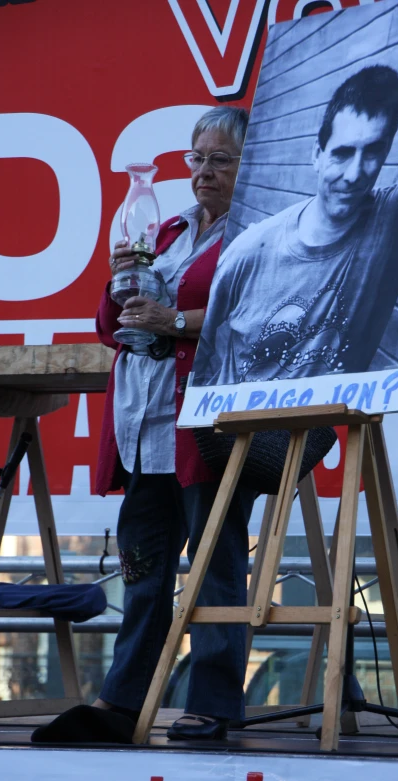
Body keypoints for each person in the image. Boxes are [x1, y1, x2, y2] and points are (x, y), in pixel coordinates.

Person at [90, 106, 252, 741]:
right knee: (141, 566)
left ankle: (213, 702)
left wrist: (174, 323)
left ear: (250, 167)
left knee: (214, 566)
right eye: (196, 158)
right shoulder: (167, 229)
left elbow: (255, 319)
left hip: (204, 425)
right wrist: (118, 291)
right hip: (143, 421)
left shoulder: (259, 233)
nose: (203, 172)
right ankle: (127, 698)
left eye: (220, 160)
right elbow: (112, 327)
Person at [193, 24, 398, 386]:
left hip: (321, 432)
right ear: (317, 155)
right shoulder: (249, 251)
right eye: (342, 153)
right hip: (236, 434)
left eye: (372, 152)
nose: (355, 174)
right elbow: (205, 358)